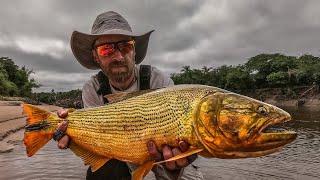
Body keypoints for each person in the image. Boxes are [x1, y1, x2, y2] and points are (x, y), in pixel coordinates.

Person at [54, 11, 203, 180]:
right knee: (105, 170)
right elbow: (97, 141)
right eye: (106, 49)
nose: (118, 56)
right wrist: (73, 135)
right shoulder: (93, 88)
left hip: (168, 155)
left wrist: (174, 169)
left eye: (125, 46)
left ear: (134, 51)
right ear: (96, 57)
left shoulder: (159, 81)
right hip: (121, 151)